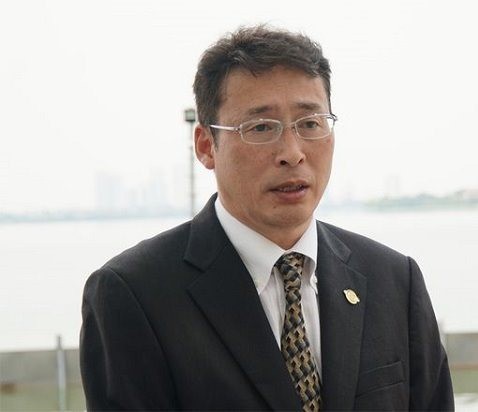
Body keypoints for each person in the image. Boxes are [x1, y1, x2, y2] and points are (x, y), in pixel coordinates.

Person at [80, 25, 453, 411]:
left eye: (310, 123)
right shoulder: (133, 294)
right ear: (206, 145)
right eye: (261, 127)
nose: (292, 153)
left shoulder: (395, 280)